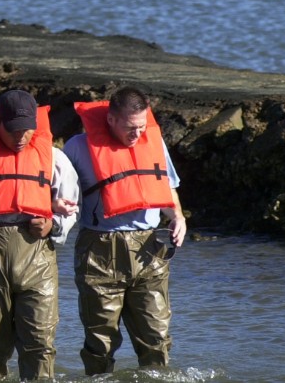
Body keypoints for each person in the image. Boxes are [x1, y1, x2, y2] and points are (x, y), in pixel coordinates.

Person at [0, 90, 80, 381]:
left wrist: (53, 224)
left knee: (40, 343)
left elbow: (71, 207)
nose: (21, 137)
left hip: (37, 254)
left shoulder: (54, 158)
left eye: (27, 130)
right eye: (13, 130)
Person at [62, 86, 188, 375]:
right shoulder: (77, 147)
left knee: (156, 337)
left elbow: (166, 188)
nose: (138, 134)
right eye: (131, 128)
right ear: (111, 120)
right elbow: (58, 191)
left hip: (148, 249)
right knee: (100, 340)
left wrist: (178, 217)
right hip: (99, 249)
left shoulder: (153, 143)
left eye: (142, 127)